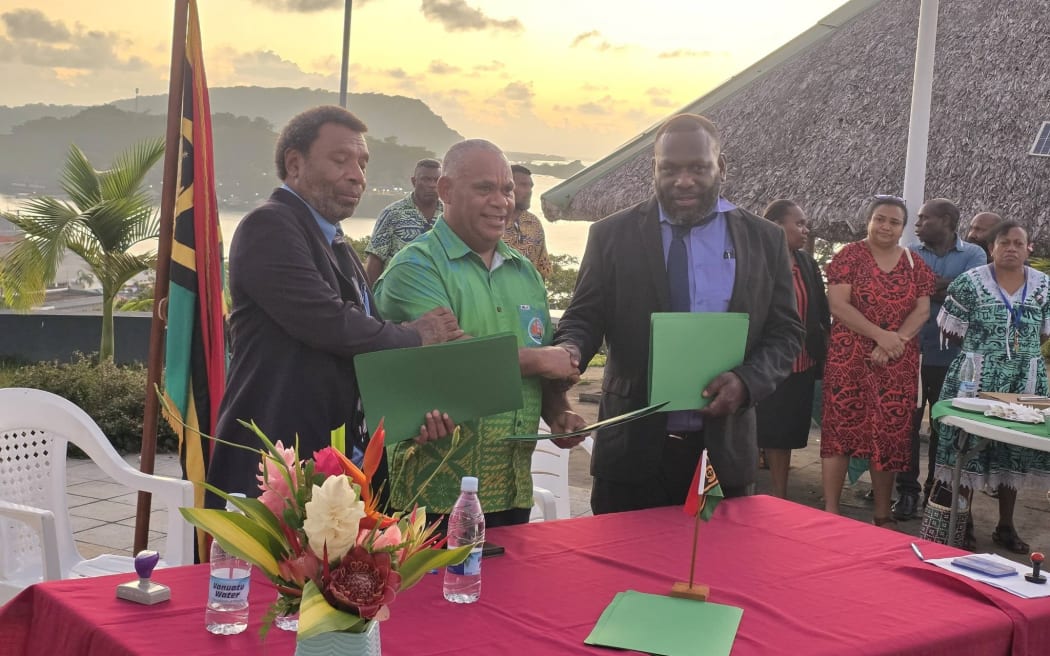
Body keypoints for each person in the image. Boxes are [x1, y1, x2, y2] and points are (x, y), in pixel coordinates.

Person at [207, 106, 462, 507]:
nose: (357, 176)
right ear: (295, 164)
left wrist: (416, 412)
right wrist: (417, 334)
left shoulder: (335, 241)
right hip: (280, 464)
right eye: (341, 160)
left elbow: (364, 344)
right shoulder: (269, 227)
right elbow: (330, 324)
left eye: (362, 163)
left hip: (345, 466)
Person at [554, 113, 804, 514]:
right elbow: (584, 317)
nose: (683, 180)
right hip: (630, 454)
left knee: (717, 573)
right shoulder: (611, 235)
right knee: (620, 575)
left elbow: (786, 332)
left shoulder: (764, 239)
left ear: (720, 167)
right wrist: (568, 350)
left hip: (723, 452)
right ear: (653, 168)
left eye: (698, 168)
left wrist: (747, 381)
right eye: (669, 168)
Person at [374, 139, 587, 528]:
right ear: (446, 191)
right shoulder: (416, 267)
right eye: (484, 188)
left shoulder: (525, 273)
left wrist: (560, 414)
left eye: (506, 190)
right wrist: (542, 359)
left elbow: (545, 367)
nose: (501, 201)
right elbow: (452, 360)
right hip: (430, 495)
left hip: (511, 488)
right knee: (436, 591)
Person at [934, 220, 1050, 553]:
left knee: (1015, 449)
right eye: (1004, 243)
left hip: (1024, 381)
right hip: (974, 378)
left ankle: (1006, 525)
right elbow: (953, 331)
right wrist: (985, 353)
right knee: (966, 447)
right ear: (991, 248)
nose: (1011, 248)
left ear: (1029, 248)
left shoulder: (1044, 286)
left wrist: (1014, 356)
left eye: (1018, 243)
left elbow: (1043, 332)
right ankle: (963, 521)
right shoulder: (969, 283)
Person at [821, 195, 935, 527]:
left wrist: (893, 340)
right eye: (880, 219)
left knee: (888, 435)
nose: (885, 226)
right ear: (869, 220)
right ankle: (831, 510)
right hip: (850, 359)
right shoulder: (848, 257)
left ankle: (882, 514)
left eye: (894, 221)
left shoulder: (914, 263)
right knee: (840, 431)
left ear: (903, 227)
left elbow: (922, 310)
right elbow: (839, 306)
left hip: (897, 362)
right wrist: (879, 335)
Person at [891, 199, 986, 520]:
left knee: (944, 427)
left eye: (923, 218)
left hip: (956, 360)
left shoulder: (974, 254)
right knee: (907, 426)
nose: (915, 225)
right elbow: (905, 292)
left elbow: (971, 294)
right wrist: (941, 288)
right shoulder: (911, 253)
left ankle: (936, 487)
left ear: (945, 221)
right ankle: (906, 491)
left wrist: (926, 287)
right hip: (913, 354)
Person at [756, 200, 829, 499]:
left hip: (801, 361)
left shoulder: (806, 263)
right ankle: (744, 491)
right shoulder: (756, 260)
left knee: (784, 433)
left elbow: (820, 310)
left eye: (805, 223)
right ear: (775, 225)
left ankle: (778, 494)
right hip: (764, 361)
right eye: (798, 223)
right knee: (760, 427)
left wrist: (824, 347)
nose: (805, 229)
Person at [363, 158, 443, 284]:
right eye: (426, 179)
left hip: (437, 295)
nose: (432, 185)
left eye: (436, 180)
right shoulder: (392, 213)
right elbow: (375, 260)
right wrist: (372, 300)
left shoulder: (448, 216)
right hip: (395, 294)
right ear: (414, 181)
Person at [502, 164, 553, 279]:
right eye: (523, 185)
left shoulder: (534, 223)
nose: (529, 191)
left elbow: (542, 269)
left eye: (531, 186)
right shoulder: (492, 220)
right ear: (507, 187)